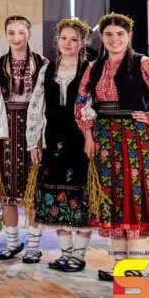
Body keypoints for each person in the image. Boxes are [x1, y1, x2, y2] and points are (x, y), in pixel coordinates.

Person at [75, 13, 149, 282]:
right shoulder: (94, 66)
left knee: (134, 198)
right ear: (102, 38)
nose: (114, 39)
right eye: (109, 35)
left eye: (120, 34)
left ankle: (134, 268)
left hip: (135, 138)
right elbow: (81, 102)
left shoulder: (142, 63)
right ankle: (119, 266)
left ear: (129, 36)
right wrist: (88, 135)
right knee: (112, 200)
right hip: (103, 139)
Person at [26, 18, 93, 271]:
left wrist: (89, 136)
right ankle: (65, 253)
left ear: (82, 43)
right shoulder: (47, 70)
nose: (68, 43)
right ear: (57, 41)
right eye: (64, 38)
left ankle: (79, 255)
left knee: (82, 197)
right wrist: (33, 142)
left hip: (81, 141)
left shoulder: (89, 69)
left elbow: (93, 106)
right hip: (53, 141)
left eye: (74, 39)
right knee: (55, 196)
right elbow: (36, 107)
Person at [0, 16, 46, 261]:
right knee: (7, 191)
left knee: (32, 191)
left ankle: (34, 246)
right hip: (6, 130)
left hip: (32, 129)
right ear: (6, 35)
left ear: (29, 34)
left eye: (21, 32)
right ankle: (12, 243)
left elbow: (45, 102)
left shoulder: (42, 63)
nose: (16, 37)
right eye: (11, 32)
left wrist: (40, 137)